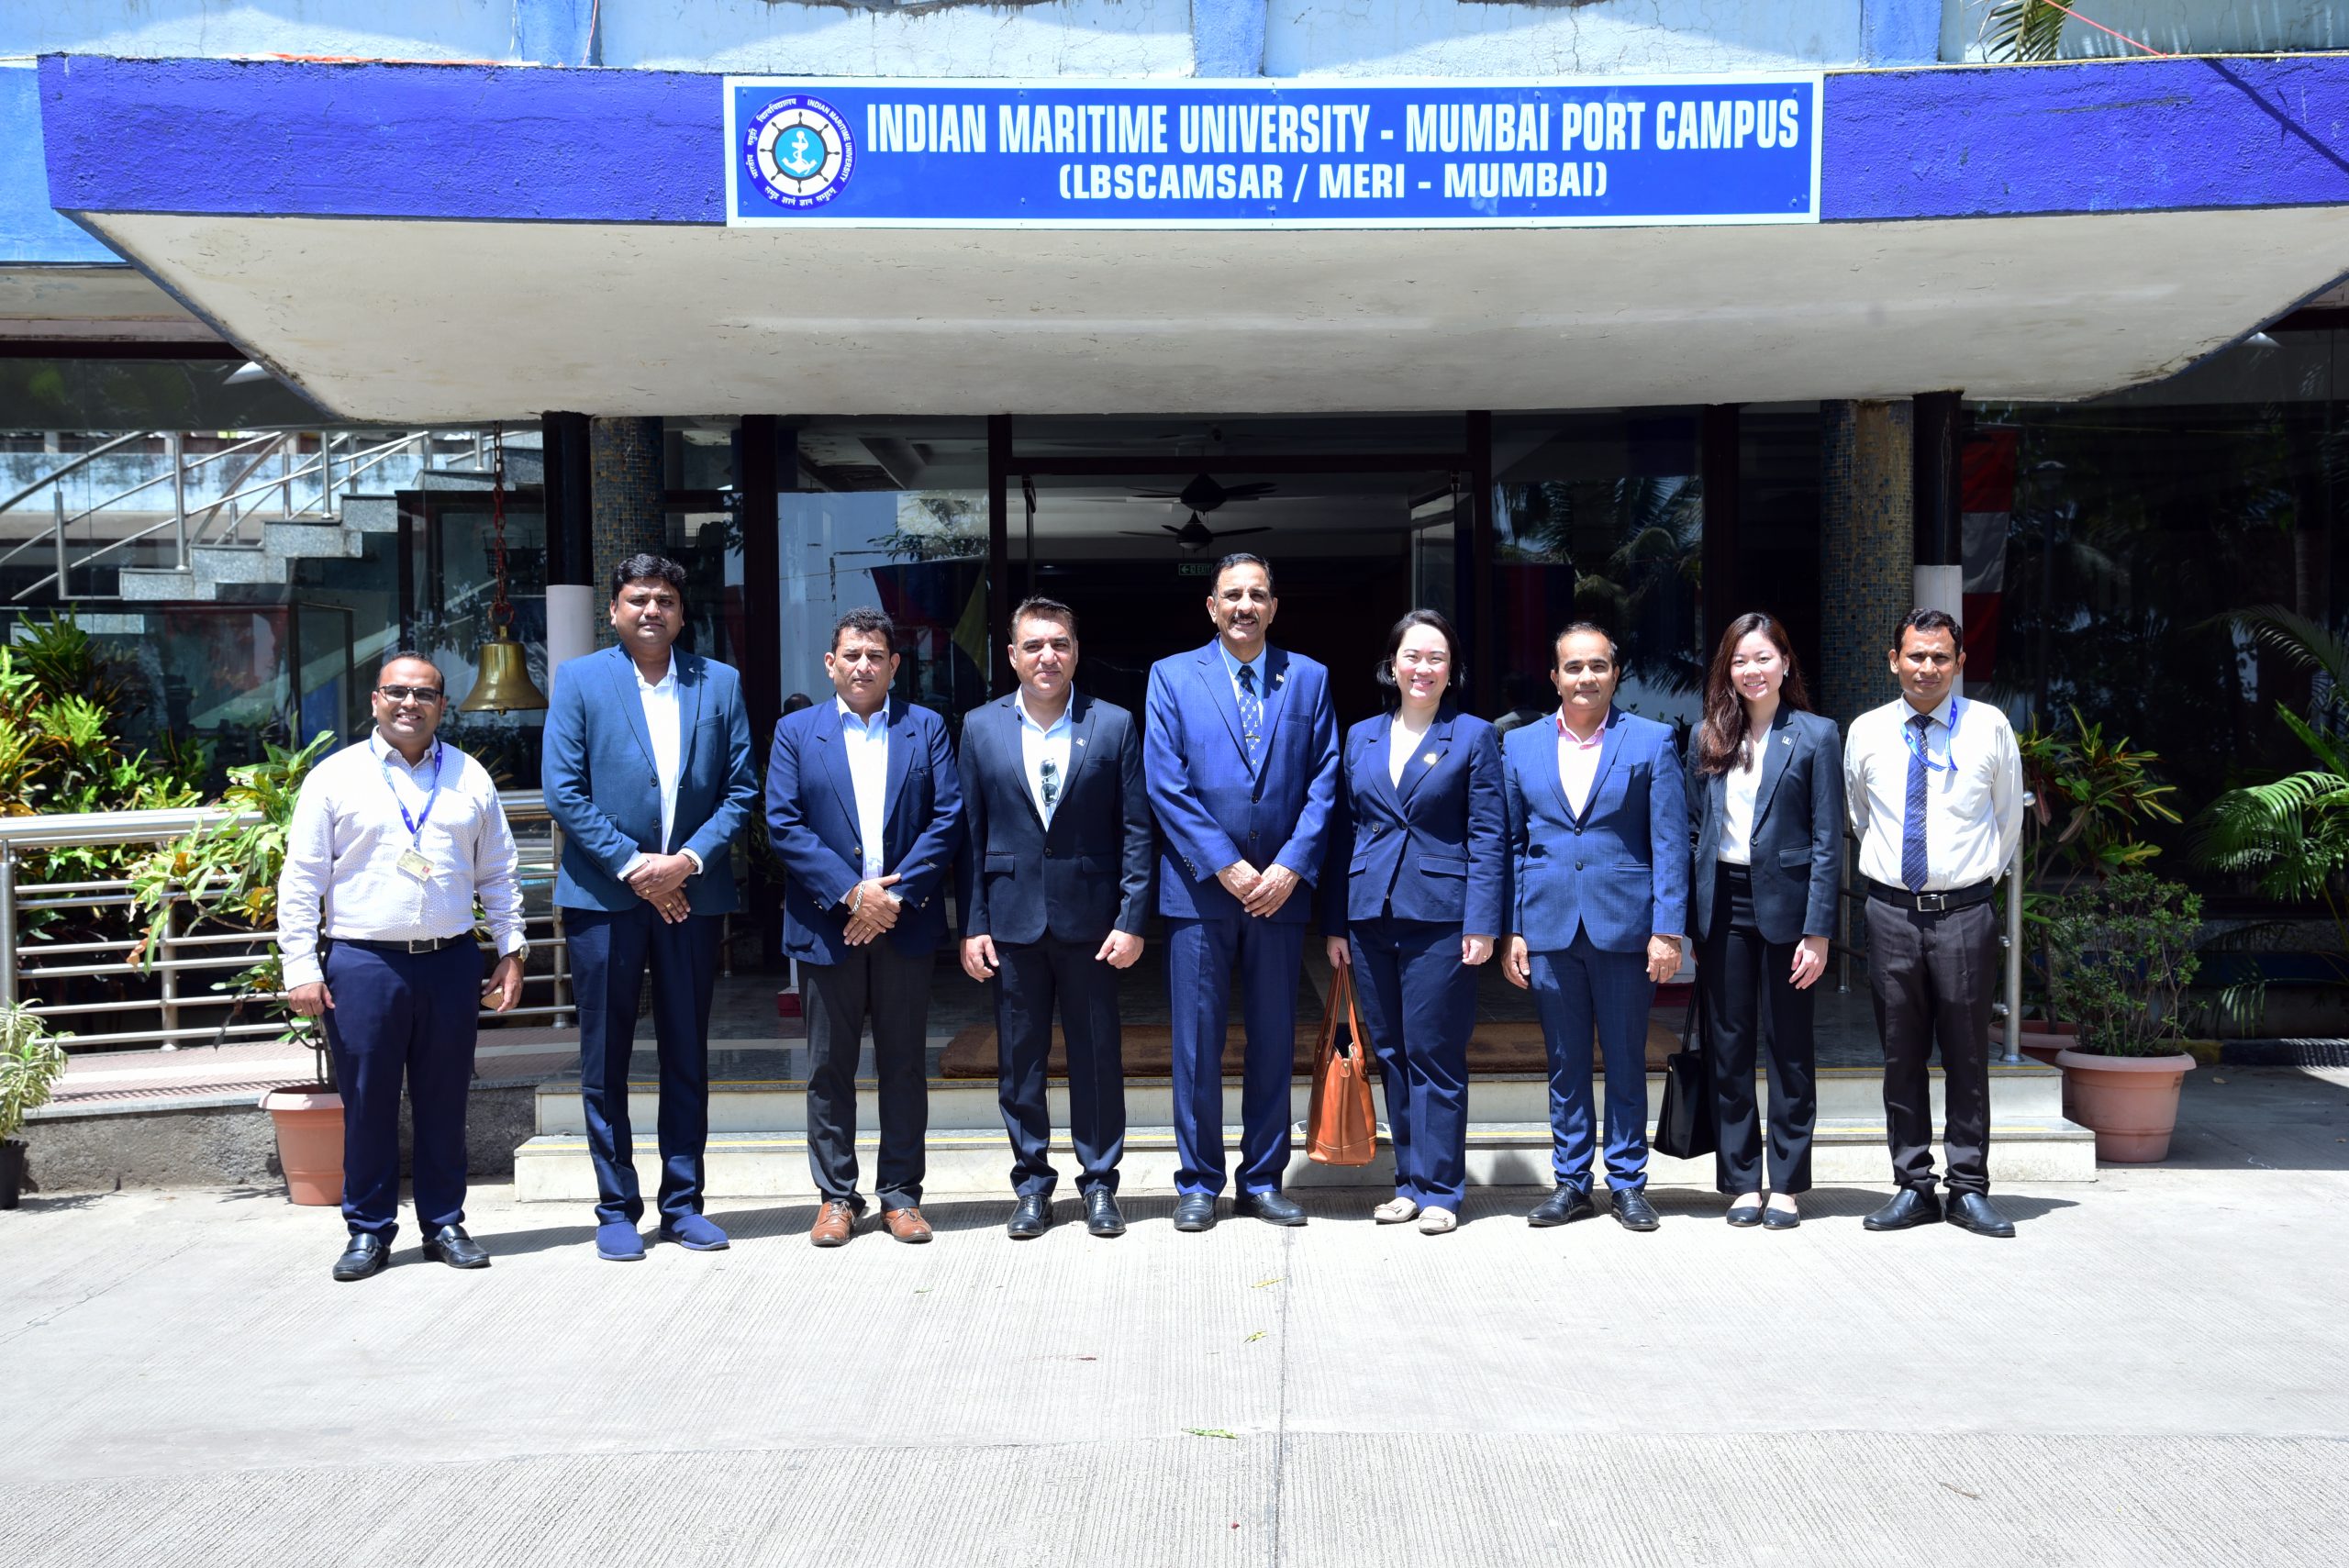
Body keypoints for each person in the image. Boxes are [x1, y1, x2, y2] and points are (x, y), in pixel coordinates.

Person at [279, 652, 526, 1281]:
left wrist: (510, 949)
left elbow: (498, 870)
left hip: (447, 960)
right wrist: (301, 966)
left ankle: (444, 1221)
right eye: (397, 691)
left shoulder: (469, 777)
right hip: (363, 962)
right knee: (368, 1102)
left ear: (443, 705)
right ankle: (368, 1229)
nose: (410, 703)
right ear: (375, 700)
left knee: (446, 1099)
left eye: (425, 693)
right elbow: (302, 879)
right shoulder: (333, 778)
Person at [543, 554, 757, 1262]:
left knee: (686, 1050)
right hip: (606, 896)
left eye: (665, 599)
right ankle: (615, 1207)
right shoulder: (579, 681)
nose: (651, 611)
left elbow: (739, 790)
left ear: (682, 612)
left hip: (691, 895)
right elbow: (563, 791)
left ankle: (683, 1203)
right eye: (637, 599)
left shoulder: (718, 683)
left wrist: (683, 865)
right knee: (604, 1055)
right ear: (614, 610)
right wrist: (638, 868)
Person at [1143, 553, 1341, 1230]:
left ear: (1274, 606)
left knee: (1273, 1037)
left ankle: (1261, 1178)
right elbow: (1165, 783)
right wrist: (1227, 864)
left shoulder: (1308, 678)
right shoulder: (1171, 677)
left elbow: (1325, 780)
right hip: (1201, 891)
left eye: (1257, 594)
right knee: (1196, 1043)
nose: (1245, 605)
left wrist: (1288, 867)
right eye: (1233, 595)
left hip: (1280, 895)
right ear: (1211, 605)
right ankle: (1198, 1181)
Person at [765, 606, 963, 1247]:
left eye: (876, 656)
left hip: (902, 926)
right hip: (830, 929)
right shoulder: (797, 732)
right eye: (851, 655)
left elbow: (947, 818)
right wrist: (853, 895)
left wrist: (890, 900)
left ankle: (901, 1194)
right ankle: (836, 1197)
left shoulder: (926, 727)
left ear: (894, 665)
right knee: (829, 1067)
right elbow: (784, 825)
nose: (863, 666)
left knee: (905, 1065)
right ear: (830, 663)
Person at [956, 597, 1152, 1240]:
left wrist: (1132, 916)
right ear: (1011, 654)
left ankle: (1100, 1184)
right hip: (1011, 923)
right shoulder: (980, 727)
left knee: (1098, 1058)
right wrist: (973, 922)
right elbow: (972, 835)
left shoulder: (1114, 724)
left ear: (1075, 651)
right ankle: (1032, 1184)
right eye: (1034, 645)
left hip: (1093, 924)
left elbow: (1135, 830)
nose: (1048, 656)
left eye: (1060, 644)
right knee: (1021, 1061)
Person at [1320, 610, 1503, 1235]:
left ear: (1451, 671)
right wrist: (1336, 922)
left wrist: (1482, 921)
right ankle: (1407, 1181)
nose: (1423, 667)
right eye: (1412, 655)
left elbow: (1487, 835)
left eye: (1436, 657)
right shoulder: (1362, 735)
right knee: (1393, 1052)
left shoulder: (1474, 736)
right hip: (1370, 914)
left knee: (1435, 1053)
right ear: (1391, 664)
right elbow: (1342, 832)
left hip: (1442, 918)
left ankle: (1443, 1190)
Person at [1502, 623, 1688, 1231]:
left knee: (1627, 1057)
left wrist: (1668, 929)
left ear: (1616, 673)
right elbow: (1513, 842)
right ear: (1554, 676)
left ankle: (1628, 1181)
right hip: (1549, 926)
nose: (1586, 677)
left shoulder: (1653, 741)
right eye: (1573, 667)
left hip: (1627, 927)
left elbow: (1669, 841)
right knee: (1565, 1059)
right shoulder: (1520, 745)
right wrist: (1514, 927)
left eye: (1598, 666)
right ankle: (1572, 1181)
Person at [1845, 608, 2023, 1239]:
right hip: (1890, 912)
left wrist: (1968, 885)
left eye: (1940, 656)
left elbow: (2007, 822)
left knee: (1969, 1055)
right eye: (1916, 655)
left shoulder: (1990, 727)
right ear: (1893, 659)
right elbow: (1860, 816)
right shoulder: (1865, 731)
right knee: (1901, 1055)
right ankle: (1913, 1184)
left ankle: (1969, 1186)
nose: (1927, 667)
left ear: (1959, 663)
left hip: (1965, 914)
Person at [1687, 613, 1842, 1230]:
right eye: (1739, 661)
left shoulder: (1816, 734)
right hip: (1723, 904)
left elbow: (1830, 839)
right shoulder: (1709, 736)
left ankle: (1788, 1182)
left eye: (1762, 658)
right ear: (1728, 670)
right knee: (1728, 1047)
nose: (1751, 671)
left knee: (1789, 1049)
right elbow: (1696, 830)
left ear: (1784, 662)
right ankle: (1742, 1180)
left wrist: (1820, 928)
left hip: (1790, 908)